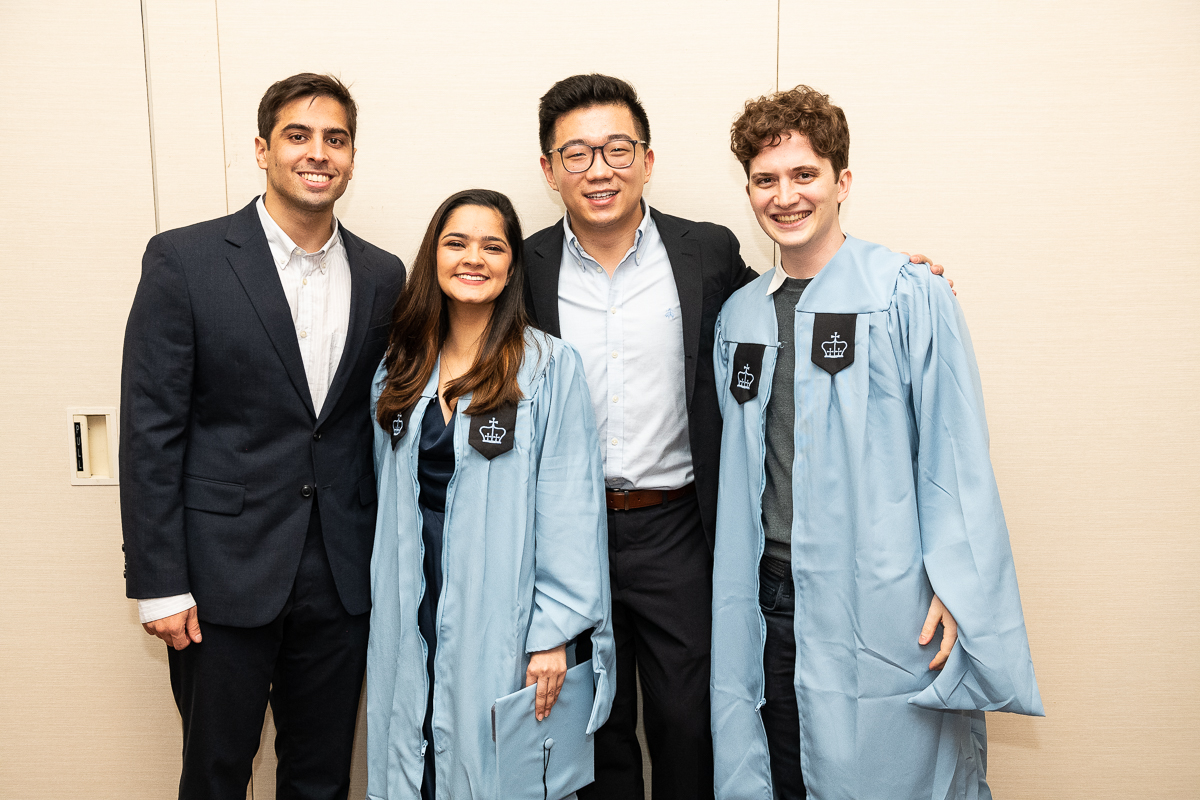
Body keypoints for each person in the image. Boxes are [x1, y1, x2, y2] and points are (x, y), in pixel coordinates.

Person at [522, 73, 956, 800]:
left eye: (618, 149)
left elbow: (799, 298)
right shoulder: (522, 267)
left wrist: (899, 277)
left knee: (692, 722)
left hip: (677, 528)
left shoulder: (707, 253)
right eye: (577, 154)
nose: (599, 169)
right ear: (549, 169)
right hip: (567, 532)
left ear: (647, 160)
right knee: (591, 726)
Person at [710, 85, 1044, 800]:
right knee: (782, 767)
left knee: (889, 770)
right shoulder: (739, 318)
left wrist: (956, 585)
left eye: (805, 174)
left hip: (883, 592)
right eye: (766, 180)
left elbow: (955, 453)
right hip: (768, 595)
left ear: (843, 181)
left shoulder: (906, 294)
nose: (785, 196)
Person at [120, 73, 405, 800]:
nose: (318, 153)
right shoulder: (185, 260)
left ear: (352, 156)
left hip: (341, 574)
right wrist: (160, 583)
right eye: (297, 135)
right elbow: (151, 430)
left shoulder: (383, 274)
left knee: (321, 775)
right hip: (221, 575)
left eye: (336, 139)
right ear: (262, 149)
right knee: (216, 773)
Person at [366, 189, 616, 800]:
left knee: (494, 756)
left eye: (492, 246)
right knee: (414, 737)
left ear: (511, 266)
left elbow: (571, 507)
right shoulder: (400, 366)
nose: (473, 258)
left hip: (501, 601)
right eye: (456, 243)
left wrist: (552, 632)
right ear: (433, 257)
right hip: (411, 589)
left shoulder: (548, 367)